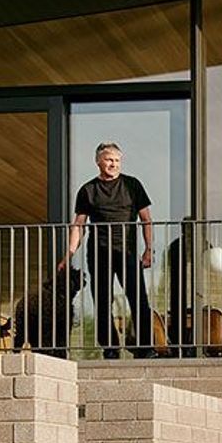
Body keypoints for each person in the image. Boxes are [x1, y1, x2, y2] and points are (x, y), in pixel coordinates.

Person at [60, 142, 155, 358]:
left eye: (117, 160)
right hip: (99, 253)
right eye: (109, 160)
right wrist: (69, 255)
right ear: (98, 162)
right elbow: (79, 225)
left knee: (138, 299)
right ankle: (110, 348)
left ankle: (144, 347)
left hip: (128, 253)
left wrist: (149, 250)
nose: (114, 164)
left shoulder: (132, 185)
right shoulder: (88, 190)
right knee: (102, 301)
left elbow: (146, 220)